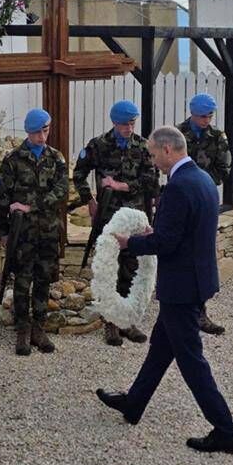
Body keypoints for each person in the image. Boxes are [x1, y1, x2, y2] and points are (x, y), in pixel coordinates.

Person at [96, 126, 233, 454]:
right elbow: (182, 231)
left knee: (191, 361)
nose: (151, 160)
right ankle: (134, 404)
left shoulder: (178, 187)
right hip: (195, 280)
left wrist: (129, 242)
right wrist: (157, 230)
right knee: (161, 348)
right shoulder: (202, 179)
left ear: (167, 150)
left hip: (181, 286)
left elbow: (167, 242)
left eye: (152, 154)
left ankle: (226, 430)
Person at [73, 100, 159, 346]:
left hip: (134, 218)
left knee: (131, 266)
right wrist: (88, 199)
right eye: (124, 124)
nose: (128, 128)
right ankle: (111, 322)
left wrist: (122, 186)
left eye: (132, 123)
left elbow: (151, 179)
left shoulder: (143, 146)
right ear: (114, 122)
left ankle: (127, 321)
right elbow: (79, 173)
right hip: (108, 218)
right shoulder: (98, 145)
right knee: (110, 266)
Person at [0, 108, 68, 356]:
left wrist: (30, 205)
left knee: (44, 279)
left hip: (48, 231)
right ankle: (22, 327)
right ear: (27, 132)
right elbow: (0, 200)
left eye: (45, 131)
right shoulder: (13, 160)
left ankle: (39, 327)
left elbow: (60, 192)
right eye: (37, 133)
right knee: (23, 280)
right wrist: (3, 231)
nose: (42, 137)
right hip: (22, 234)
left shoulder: (57, 159)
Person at [177, 93, 231, 335]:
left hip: (205, 200)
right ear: (192, 114)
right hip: (180, 200)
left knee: (201, 253)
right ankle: (175, 301)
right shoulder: (178, 135)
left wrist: (202, 184)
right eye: (202, 116)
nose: (206, 120)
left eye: (210, 116)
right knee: (177, 248)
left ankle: (200, 311)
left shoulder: (218, 137)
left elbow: (224, 168)